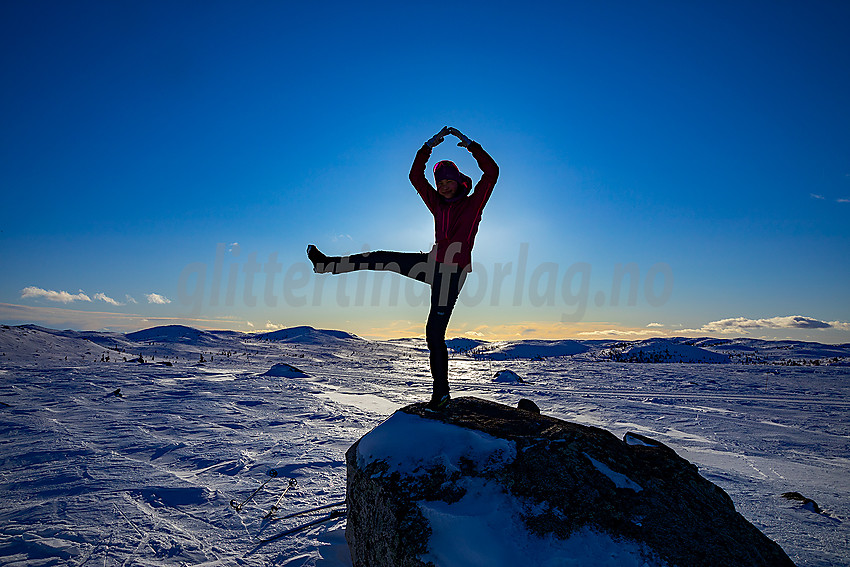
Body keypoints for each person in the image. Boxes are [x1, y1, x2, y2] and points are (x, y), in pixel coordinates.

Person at [307, 126, 499, 410]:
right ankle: (326, 266)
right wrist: (428, 146)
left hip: (451, 275)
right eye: (439, 182)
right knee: (381, 257)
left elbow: (492, 172)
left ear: (459, 181)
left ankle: (441, 394)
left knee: (434, 334)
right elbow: (414, 176)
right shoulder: (437, 204)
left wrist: (471, 145)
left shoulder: (473, 204)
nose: (443, 186)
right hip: (431, 264)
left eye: (448, 180)